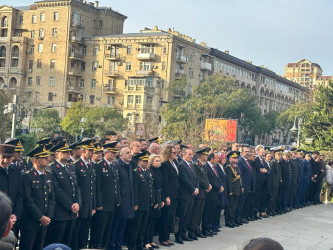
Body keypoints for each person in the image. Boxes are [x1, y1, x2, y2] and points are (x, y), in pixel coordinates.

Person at [45, 142, 81, 248]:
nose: (68, 154)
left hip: (72, 213)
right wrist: (71, 205)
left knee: (68, 243)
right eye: (64, 152)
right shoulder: (51, 168)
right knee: (56, 244)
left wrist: (78, 203)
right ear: (57, 154)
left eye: (68, 152)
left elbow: (77, 187)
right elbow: (57, 190)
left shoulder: (70, 167)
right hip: (60, 212)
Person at [20, 145, 55, 250]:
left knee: (40, 247)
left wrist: (48, 216)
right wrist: (40, 217)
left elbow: (51, 197)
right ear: (35, 160)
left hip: (45, 221)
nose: (47, 159)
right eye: (44, 157)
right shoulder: (27, 176)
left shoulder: (48, 175)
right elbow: (28, 200)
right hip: (30, 222)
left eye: (47, 157)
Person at [90, 142, 120, 249]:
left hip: (112, 203)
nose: (115, 154)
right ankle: (96, 247)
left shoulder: (114, 165)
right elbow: (97, 186)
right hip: (103, 204)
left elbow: (117, 185)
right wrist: (98, 203)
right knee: (99, 230)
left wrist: (118, 200)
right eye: (113, 152)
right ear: (106, 152)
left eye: (115, 152)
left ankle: (104, 247)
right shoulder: (99, 166)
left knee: (108, 229)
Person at [71, 138, 96, 250]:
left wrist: (93, 205)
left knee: (85, 233)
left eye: (92, 150)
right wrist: (78, 203)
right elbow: (76, 187)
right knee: (76, 233)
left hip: (89, 205)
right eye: (89, 150)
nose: (92, 152)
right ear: (83, 151)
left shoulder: (90, 165)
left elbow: (92, 187)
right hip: (80, 204)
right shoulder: (76, 165)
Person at [108, 146, 134, 250]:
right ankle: (112, 246)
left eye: (130, 152)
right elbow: (117, 184)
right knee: (115, 226)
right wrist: (118, 199)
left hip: (128, 200)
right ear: (121, 155)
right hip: (120, 201)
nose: (130, 154)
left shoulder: (130, 165)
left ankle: (118, 246)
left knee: (122, 227)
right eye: (127, 153)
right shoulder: (117, 165)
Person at [127, 151, 153, 250]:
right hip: (139, 203)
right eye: (144, 161)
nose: (146, 163)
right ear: (139, 162)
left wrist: (151, 200)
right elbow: (135, 189)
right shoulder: (136, 172)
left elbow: (150, 187)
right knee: (135, 226)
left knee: (143, 225)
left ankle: (140, 243)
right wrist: (135, 203)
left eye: (147, 161)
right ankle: (132, 244)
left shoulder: (148, 172)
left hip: (146, 203)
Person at [175, 148, 198, 244]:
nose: (192, 156)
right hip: (184, 195)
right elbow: (184, 179)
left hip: (191, 195)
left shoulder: (191, 165)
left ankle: (184, 234)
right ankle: (178, 235)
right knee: (182, 216)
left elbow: (196, 178)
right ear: (184, 155)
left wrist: (196, 188)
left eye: (192, 154)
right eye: (189, 154)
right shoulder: (181, 165)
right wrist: (193, 189)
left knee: (188, 215)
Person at [0, 144, 22, 238]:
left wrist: (15, 214)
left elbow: (20, 195)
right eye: (3, 157)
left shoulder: (16, 171)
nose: (5, 160)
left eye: (9, 158)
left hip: (13, 221)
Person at [188, 147, 211, 239]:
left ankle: (197, 230)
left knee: (200, 213)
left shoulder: (203, 165)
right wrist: (207, 186)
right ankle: (192, 231)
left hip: (204, 192)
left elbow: (205, 177)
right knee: (195, 213)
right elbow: (199, 179)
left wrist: (208, 185)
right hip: (199, 192)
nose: (207, 156)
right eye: (205, 155)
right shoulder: (196, 165)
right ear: (201, 156)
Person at [159, 146, 179, 247]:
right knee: (165, 217)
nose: (176, 154)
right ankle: (163, 238)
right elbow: (165, 182)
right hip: (168, 195)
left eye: (176, 152)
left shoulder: (174, 163)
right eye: (173, 153)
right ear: (168, 153)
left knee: (170, 217)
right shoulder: (165, 165)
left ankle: (167, 237)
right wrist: (167, 196)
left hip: (175, 194)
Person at [144, 154, 164, 249]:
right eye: (156, 161)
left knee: (153, 222)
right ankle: (146, 241)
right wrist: (155, 201)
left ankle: (151, 240)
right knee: (148, 222)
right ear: (151, 162)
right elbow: (151, 187)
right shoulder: (150, 171)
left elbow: (162, 186)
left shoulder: (160, 171)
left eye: (159, 161)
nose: (158, 163)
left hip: (159, 197)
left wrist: (162, 200)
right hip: (153, 198)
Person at [202, 153, 222, 234]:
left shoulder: (215, 167)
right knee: (207, 212)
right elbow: (210, 180)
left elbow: (218, 178)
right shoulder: (207, 167)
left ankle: (210, 227)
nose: (217, 160)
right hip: (211, 193)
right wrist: (218, 187)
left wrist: (220, 186)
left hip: (216, 193)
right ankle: (205, 229)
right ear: (211, 159)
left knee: (212, 212)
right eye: (216, 158)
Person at [225, 151, 243, 227]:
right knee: (229, 207)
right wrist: (230, 191)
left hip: (237, 189)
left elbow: (240, 178)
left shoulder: (236, 166)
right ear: (230, 158)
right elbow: (229, 180)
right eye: (234, 158)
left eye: (236, 158)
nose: (236, 159)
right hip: (232, 190)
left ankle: (232, 220)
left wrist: (241, 187)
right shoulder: (229, 167)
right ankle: (228, 221)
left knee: (234, 207)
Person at [236, 146, 252, 225]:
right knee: (240, 203)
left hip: (248, 186)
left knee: (245, 203)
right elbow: (240, 175)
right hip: (243, 186)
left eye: (248, 151)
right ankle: (238, 218)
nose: (247, 153)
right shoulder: (240, 161)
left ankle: (243, 216)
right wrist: (241, 186)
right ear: (241, 152)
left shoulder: (247, 161)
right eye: (246, 151)